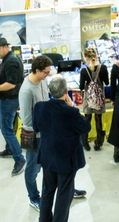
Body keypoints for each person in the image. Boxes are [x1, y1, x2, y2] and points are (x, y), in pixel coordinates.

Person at [33, 75, 90, 222]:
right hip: (66, 160)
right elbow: (85, 127)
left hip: (47, 157)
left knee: (47, 191)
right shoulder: (70, 112)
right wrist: (72, 107)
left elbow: (36, 127)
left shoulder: (40, 107)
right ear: (66, 91)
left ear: (50, 92)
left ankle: (44, 219)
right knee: (64, 194)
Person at [19, 55, 53, 211]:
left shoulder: (43, 80)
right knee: (33, 169)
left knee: (52, 165)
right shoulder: (26, 90)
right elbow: (26, 119)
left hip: (46, 133)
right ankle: (33, 197)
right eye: (46, 72)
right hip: (35, 137)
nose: (48, 75)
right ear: (37, 70)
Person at [0, 37, 27, 175]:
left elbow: (11, 84)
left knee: (6, 129)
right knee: (3, 125)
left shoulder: (11, 61)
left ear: (6, 47)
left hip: (10, 99)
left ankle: (19, 159)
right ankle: (10, 149)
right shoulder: (9, 58)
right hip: (9, 98)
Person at [79, 47, 109, 151]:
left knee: (87, 119)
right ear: (96, 56)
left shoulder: (84, 70)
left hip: (88, 100)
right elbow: (107, 82)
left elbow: (81, 87)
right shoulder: (103, 68)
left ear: (86, 58)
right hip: (99, 99)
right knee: (98, 120)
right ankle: (99, 142)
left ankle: (85, 142)